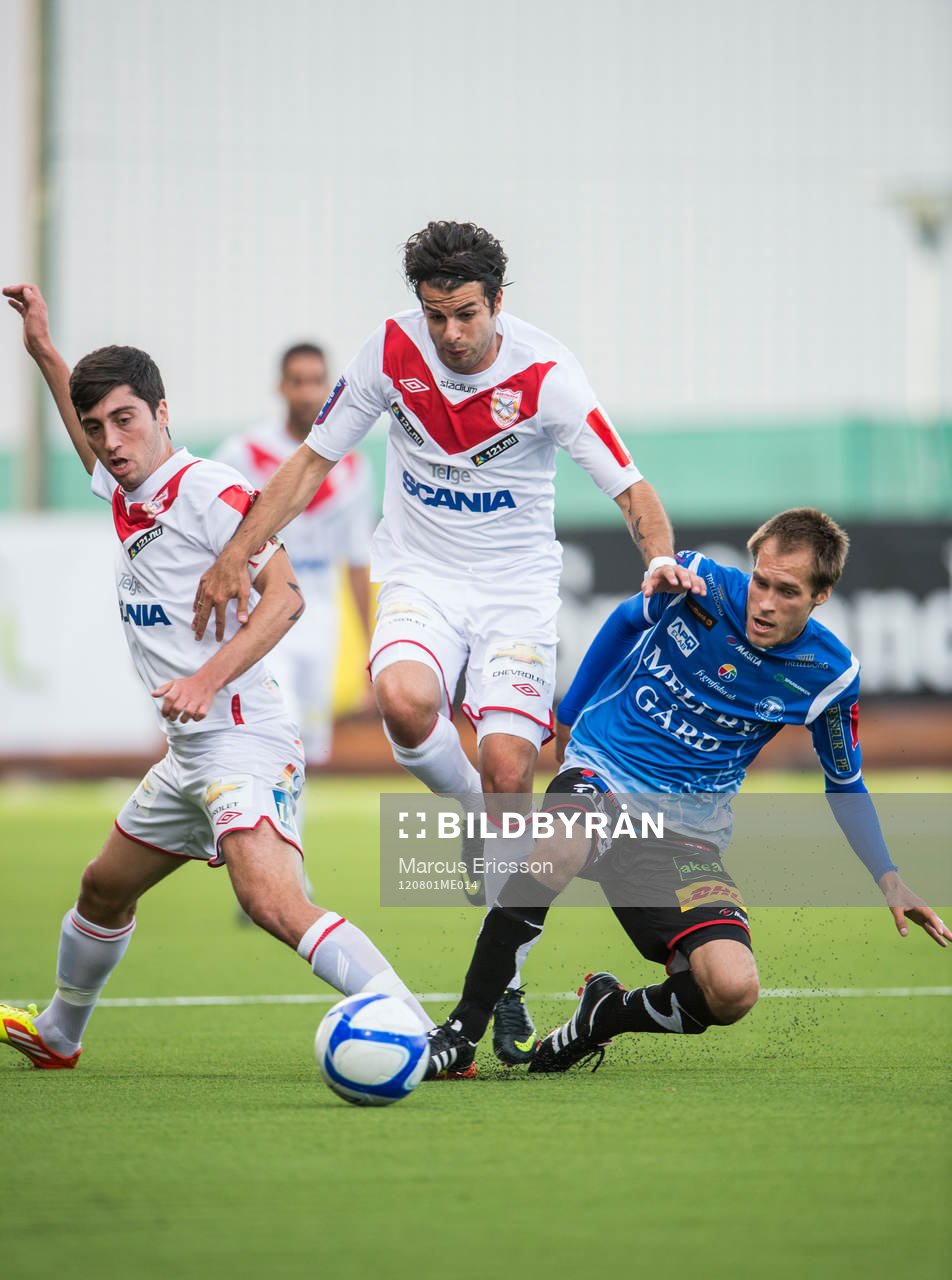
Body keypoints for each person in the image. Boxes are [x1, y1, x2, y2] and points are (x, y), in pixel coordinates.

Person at [190, 220, 702, 1067]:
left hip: (515, 594)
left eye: (466, 314)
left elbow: (633, 489)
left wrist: (658, 563)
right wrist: (238, 551)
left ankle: (506, 984)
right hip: (420, 575)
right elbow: (313, 462)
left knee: (510, 772)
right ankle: (477, 826)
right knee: (402, 700)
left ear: (500, 302)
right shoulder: (387, 354)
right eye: (437, 316)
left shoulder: (548, 375)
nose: (452, 335)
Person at [0, 283, 430, 1071]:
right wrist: (44, 354)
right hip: (190, 753)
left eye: (126, 420)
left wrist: (205, 680)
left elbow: (288, 597)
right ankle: (60, 1034)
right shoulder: (128, 487)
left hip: (242, 735)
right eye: (100, 428)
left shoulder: (211, 491)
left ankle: (418, 1031)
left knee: (270, 902)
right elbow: (85, 431)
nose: (111, 441)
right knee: (102, 888)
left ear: (163, 414)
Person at [422, 508, 950, 1077]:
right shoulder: (698, 583)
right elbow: (627, 621)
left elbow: (845, 786)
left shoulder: (829, 677)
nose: (764, 602)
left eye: (786, 592)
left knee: (731, 990)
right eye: (761, 581)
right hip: (606, 774)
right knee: (558, 848)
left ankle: (604, 1015)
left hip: (686, 839)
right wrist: (569, 715)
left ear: (821, 596)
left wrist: (888, 877)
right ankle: (464, 1030)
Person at [215, 343, 374, 768]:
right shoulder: (243, 453)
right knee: (277, 724)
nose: (307, 392)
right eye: (297, 381)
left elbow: (358, 562)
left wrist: (370, 650)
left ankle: (285, 831)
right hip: (260, 606)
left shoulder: (353, 467)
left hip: (319, 612)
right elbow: (211, 539)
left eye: (316, 381)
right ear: (280, 387)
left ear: (329, 387)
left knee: (310, 745)